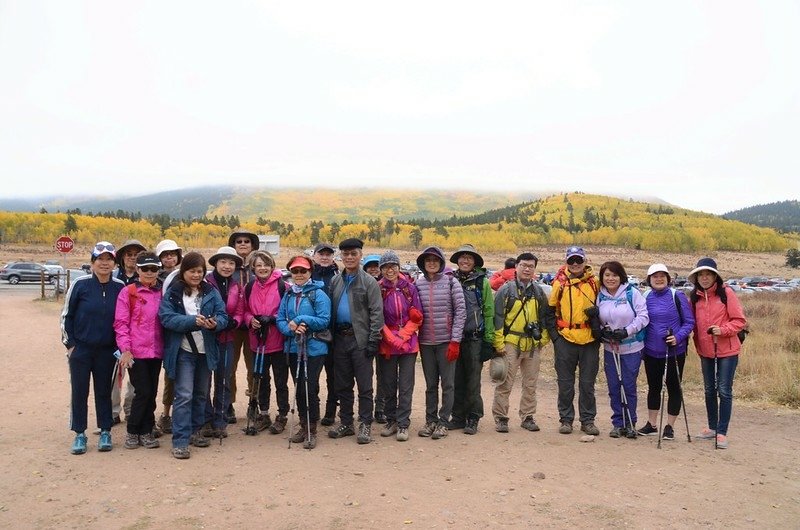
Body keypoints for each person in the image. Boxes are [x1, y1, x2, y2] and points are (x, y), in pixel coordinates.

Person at [159, 252, 228, 459]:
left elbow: (223, 315)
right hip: (183, 351)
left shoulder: (211, 292)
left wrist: (215, 323)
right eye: (192, 271)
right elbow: (166, 317)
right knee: (184, 395)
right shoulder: (173, 292)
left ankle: (195, 431)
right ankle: (180, 440)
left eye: (200, 271)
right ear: (184, 271)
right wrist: (191, 322)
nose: (196, 275)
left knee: (200, 393)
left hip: (205, 350)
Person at [61, 241, 125, 454]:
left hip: (108, 350)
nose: (105, 263)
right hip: (81, 349)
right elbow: (66, 316)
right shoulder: (80, 284)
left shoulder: (119, 287)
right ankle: (79, 434)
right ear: (92, 262)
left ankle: (105, 429)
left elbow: (124, 319)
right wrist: (70, 345)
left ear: (114, 263)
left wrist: (120, 348)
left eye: (109, 260)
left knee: (104, 392)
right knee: (79, 391)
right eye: (100, 259)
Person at [327, 238, 384, 444]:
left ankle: (365, 423)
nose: (349, 257)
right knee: (342, 384)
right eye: (346, 254)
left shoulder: (369, 282)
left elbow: (377, 312)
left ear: (360, 255)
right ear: (340, 256)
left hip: (360, 340)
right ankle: (346, 422)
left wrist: (373, 340)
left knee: (365, 385)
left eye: (353, 254)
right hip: (340, 339)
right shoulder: (336, 281)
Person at [688, 257, 747, 449]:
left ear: (715, 276)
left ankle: (722, 432)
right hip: (705, 350)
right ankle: (712, 427)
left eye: (708, 274)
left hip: (727, 350)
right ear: (696, 277)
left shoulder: (726, 293)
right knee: (708, 389)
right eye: (701, 274)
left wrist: (723, 330)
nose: (704, 278)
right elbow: (691, 323)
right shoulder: (694, 297)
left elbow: (739, 321)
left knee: (724, 390)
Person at [491, 252, 553, 433]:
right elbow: (498, 318)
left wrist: (543, 338)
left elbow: (544, 317)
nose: (527, 269)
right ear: (516, 266)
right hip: (510, 342)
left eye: (531, 266)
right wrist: (499, 343)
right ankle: (501, 417)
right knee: (505, 382)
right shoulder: (506, 290)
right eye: (524, 265)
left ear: (535, 269)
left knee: (531, 383)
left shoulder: (538, 291)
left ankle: (527, 416)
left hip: (532, 344)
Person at [276, 255, 331, 449]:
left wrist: (300, 320)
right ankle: (303, 424)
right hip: (293, 347)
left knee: (308, 388)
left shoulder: (319, 294)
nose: (299, 274)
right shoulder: (289, 294)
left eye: (303, 271)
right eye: (296, 270)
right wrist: (290, 328)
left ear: (310, 272)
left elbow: (324, 320)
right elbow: (281, 319)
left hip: (314, 348)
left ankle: (311, 428)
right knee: (299, 387)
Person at [546, 246, 602, 436]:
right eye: (571, 260)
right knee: (565, 383)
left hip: (589, 340)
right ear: (566, 262)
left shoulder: (596, 282)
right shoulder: (559, 284)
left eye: (579, 260)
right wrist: (555, 338)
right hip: (566, 339)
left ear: (585, 261)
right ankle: (566, 420)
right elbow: (550, 311)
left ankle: (587, 421)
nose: (576, 264)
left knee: (587, 384)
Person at [637, 263, 695, 440]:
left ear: (668, 279)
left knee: (673, 387)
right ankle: (652, 424)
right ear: (649, 280)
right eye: (655, 276)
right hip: (651, 351)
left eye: (662, 276)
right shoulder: (645, 296)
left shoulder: (677, 296)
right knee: (653, 388)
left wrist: (678, 337)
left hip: (674, 350)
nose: (659, 279)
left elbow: (689, 322)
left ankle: (669, 426)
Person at [113, 251, 163, 450]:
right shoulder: (129, 292)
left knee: (151, 392)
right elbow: (121, 323)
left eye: (154, 269)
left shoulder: (162, 292)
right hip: (135, 351)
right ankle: (134, 430)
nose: (150, 273)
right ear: (138, 270)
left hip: (157, 350)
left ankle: (147, 430)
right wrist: (125, 349)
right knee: (142, 391)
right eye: (145, 269)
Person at [415, 246, 466, 440]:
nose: (432, 263)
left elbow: (461, 312)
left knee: (448, 384)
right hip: (426, 342)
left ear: (441, 262)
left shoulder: (452, 283)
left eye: (435, 260)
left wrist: (455, 340)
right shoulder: (417, 284)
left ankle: (444, 421)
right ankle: (430, 421)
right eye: (428, 260)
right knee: (430, 384)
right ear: (423, 264)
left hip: (446, 341)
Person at [596, 261, 649, 438]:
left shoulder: (631, 293)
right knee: (613, 386)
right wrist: (602, 330)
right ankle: (618, 423)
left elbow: (643, 316)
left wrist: (627, 331)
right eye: (607, 275)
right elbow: (598, 318)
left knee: (628, 386)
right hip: (611, 348)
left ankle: (631, 422)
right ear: (602, 277)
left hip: (631, 346)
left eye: (614, 275)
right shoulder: (600, 295)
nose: (611, 279)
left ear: (621, 276)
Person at [376, 250, 423, 442]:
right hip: (386, 343)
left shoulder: (409, 288)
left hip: (408, 344)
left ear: (398, 267)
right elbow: (376, 316)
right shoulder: (378, 289)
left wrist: (403, 336)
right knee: (388, 384)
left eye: (393, 266)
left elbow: (417, 314)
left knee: (405, 384)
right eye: (386, 267)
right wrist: (391, 338)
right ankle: (391, 420)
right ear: (381, 269)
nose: (390, 270)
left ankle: (403, 423)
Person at [243, 250, 291, 435]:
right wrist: (250, 320)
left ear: (272, 266)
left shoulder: (283, 286)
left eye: (266, 264)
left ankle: (282, 415)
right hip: (257, 341)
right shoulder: (249, 287)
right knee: (261, 381)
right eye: (258, 265)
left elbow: (288, 312)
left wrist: (272, 319)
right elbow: (245, 310)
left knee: (281, 381)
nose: (262, 268)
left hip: (278, 341)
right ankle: (263, 414)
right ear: (253, 268)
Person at [448, 244, 494, 435]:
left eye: (469, 257)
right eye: (462, 257)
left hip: (475, 338)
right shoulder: (450, 280)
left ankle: (473, 417)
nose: (465, 260)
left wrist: (489, 340)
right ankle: (458, 416)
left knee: (473, 381)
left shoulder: (482, 282)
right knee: (456, 379)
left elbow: (489, 312)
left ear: (474, 261)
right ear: (457, 260)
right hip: (455, 338)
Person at [201, 246, 245, 439]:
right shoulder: (205, 283)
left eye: (231, 263)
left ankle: (220, 421)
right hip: (206, 338)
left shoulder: (236, 285)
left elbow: (240, 310)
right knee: (204, 381)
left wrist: (235, 321)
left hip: (227, 338)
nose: (227, 266)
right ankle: (205, 420)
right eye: (223, 262)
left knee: (224, 381)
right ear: (216, 263)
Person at [111, 239, 146, 425]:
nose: (132, 258)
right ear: (122, 257)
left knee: (136, 380)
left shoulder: (145, 280)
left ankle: (131, 409)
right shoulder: (114, 278)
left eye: (136, 255)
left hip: (138, 338)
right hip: (115, 335)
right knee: (115, 377)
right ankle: (113, 412)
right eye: (129, 254)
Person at [227, 229, 260, 424]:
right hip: (232, 326)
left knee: (253, 367)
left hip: (253, 326)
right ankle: (228, 403)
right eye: (238, 241)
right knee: (229, 366)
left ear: (253, 245)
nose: (242, 244)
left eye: (246, 241)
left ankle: (253, 402)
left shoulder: (258, 267)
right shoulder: (228, 268)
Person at [154, 238, 183, 436]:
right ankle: (165, 414)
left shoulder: (184, 276)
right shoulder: (154, 278)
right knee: (169, 374)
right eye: (165, 254)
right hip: (159, 332)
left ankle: (180, 414)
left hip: (180, 330)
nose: (169, 257)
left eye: (172, 254)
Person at [311, 242, 340, 426]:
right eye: (321, 254)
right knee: (312, 375)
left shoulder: (339, 276)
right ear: (314, 255)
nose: (324, 257)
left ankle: (330, 411)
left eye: (328, 254)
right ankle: (313, 410)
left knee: (333, 375)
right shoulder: (306, 273)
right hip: (312, 333)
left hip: (334, 333)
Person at [362, 252, 386, 423]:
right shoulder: (362, 286)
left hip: (386, 336)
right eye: (370, 266)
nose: (374, 269)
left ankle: (381, 408)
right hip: (365, 335)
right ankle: (367, 409)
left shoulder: (388, 286)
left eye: (377, 266)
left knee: (383, 374)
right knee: (365, 374)